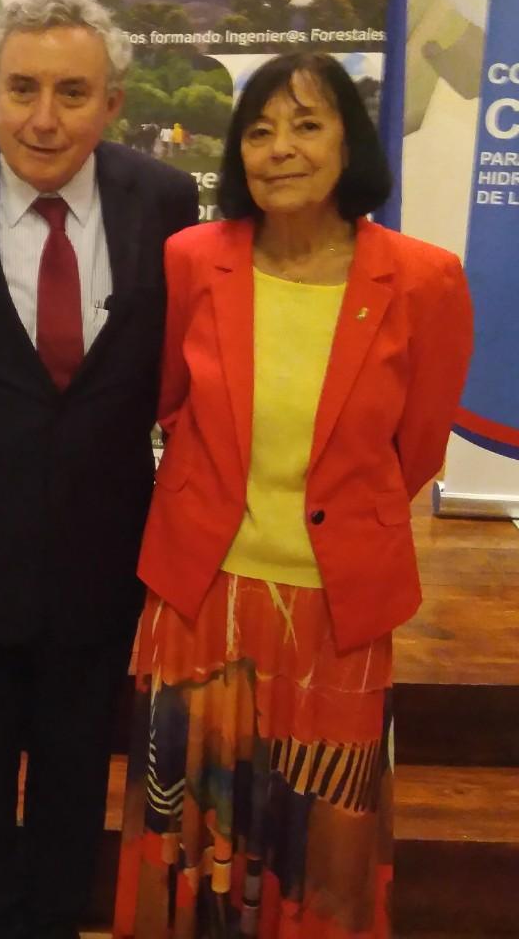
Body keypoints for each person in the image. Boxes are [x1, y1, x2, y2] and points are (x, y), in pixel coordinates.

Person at [112, 53, 474, 938]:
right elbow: (164, 399)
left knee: (324, 850)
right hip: (201, 597)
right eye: (260, 130)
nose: (280, 149)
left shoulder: (423, 279)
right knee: (190, 832)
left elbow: (417, 448)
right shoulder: (194, 259)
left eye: (307, 125)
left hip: (336, 608)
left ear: (349, 142)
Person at [0, 0, 198, 939]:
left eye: (71, 91)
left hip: (102, 560)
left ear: (113, 102)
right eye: (21, 88)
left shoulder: (164, 202)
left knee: (71, 788)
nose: (43, 117)